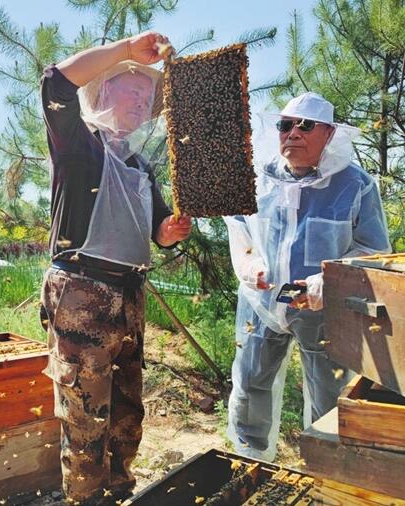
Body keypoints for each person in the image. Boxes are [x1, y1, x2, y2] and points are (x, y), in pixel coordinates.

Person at [39, 32, 192, 504]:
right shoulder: (78, 146)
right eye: (133, 86)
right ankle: (85, 498)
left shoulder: (140, 165)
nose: (143, 96)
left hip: (130, 294)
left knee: (127, 413)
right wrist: (126, 50)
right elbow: (56, 84)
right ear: (103, 92)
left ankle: (121, 492)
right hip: (83, 293)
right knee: (85, 417)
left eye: (149, 93)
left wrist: (171, 230)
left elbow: (158, 230)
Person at [225, 92, 391, 461]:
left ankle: (328, 465)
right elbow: (238, 229)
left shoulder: (355, 184)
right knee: (251, 381)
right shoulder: (258, 179)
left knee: (330, 391)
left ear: (329, 134)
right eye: (286, 125)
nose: (293, 133)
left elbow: (373, 248)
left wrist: (329, 278)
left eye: (306, 125)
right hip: (262, 301)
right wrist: (250, 265)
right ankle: (250, 459)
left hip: (323, 307)